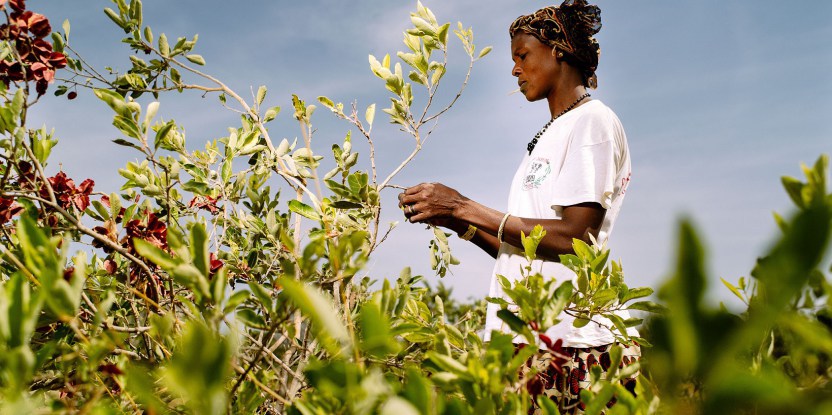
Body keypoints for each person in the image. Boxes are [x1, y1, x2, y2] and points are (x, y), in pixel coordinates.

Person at [398, 0, 638, 412]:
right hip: (529, 340)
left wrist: (461, 205)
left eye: (522, 56)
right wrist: (460, 224)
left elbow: (575, 237)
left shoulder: (592, 122)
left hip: (574, 346)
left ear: (558, 50)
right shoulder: (551, 133)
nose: (514, 70)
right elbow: (524, 252)